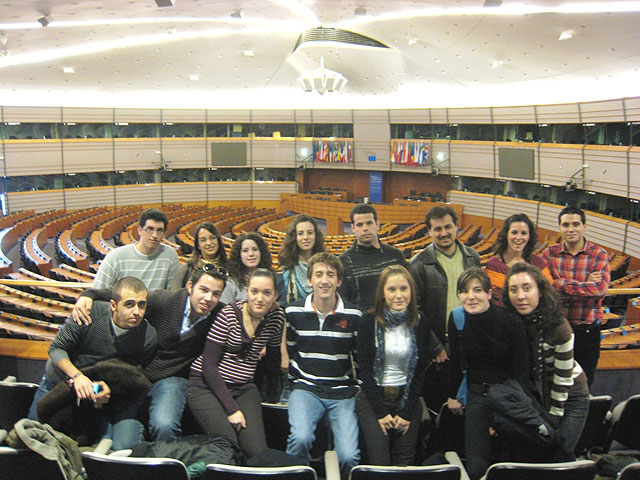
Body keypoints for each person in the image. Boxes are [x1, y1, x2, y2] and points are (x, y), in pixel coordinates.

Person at [75, 265, 226, 441]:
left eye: (216, 294)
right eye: (204, 290)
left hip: (172, 379)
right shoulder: (165, 300)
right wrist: (89, 295)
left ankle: (163, 465)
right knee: (123, 446)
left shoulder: (219, 315)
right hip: (138, 376)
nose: (209, 298)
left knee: (164, 425)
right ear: (191, 287)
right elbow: (125, 297)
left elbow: (243, 317)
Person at [28, 277, 157, 450]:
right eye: (129, 304)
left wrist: (108, 388)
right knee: (33, 442)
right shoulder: (89, 313)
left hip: (95, 393)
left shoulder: (148, 335)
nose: (137, 311)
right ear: (113, 305)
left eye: (141, 305)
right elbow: (57, 348)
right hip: (59, 382)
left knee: (90, 451)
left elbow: (132, 373)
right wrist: (77, 377)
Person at [187, 268, 285, 458]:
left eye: (267, 293)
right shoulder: (229, 314)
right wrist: (232, 409)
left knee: (256, 451)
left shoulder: (277, 317)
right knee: (229, 445)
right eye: (254, 291)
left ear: (275, 295)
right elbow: (208, 365)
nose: (260, 298)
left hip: (243, 387)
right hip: (206, 385)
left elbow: (273, 360)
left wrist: (273, 395)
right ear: (247, 292)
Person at [447, 267, 529, 480]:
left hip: (508, 399)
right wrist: (452, 396)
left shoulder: (510, 321)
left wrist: (507, 415)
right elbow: (455, 362)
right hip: (477, 396)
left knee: (509, 463)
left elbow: (521, 370)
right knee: (476, 467)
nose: (471, 297)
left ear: (489, 293)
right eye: (464, 291)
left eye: (477, 290)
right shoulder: (457, 319)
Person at [285, 252, 362, 479]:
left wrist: (358, 387)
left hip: (342, 392)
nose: (324, 280)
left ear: (339, 281)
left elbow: (359, 357)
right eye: (318, 274)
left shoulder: (354, 314)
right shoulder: (293, 312)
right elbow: (290, 351)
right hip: (306, 388)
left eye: (330, 275)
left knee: (349, 455)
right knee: (300, 438)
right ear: (309, 280)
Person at [356, 265, 440, 466]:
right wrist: (381, 413)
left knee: (405, 462)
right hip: (373, 399)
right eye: (391, 289)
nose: (398, 295)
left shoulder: (421, 323)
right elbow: (365, 370)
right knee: (379, 463)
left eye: (404, 288)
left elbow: (420, 372)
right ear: (382, 293)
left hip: (407, 400)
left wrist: (406, 413)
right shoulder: (368, 321)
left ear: (411, 291)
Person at [504, 262, 589, 459]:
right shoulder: (510, 322)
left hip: (570, 395)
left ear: (540, 291)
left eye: (527, 288)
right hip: (539, 395)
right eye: (513, 290)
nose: (521, 296)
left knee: (561, 452)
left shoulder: (560, 327)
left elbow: (563, 380)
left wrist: (553, 419)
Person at [408, 205, 479, 410]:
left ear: (457, 227)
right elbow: (416, 309)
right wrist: (434, 345)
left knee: (468, 401)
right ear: (429, 232)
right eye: (437, 229)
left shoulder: (472, 257)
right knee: (439, 402)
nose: (444, 233)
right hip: (439, 344)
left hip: (469, 338)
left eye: (448, 227)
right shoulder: (418, 264)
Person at [73, 208, 180, 324]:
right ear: (140, 230)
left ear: (164, 234)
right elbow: (99, 293)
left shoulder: (170, 256)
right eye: (149, 229)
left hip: (154, 319)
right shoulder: (116, 257)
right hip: (121, 321)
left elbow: (170, 296)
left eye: (159, 231)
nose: (154, 235)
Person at [542, 206, 610, 387]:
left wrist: (560, 283)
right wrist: (585, 284)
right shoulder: (549, 254)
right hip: (557, 328)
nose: (570, 229)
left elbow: (599, 290)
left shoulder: (599, 254)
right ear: (559, 228)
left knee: (584, 382)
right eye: (565, 225)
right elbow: (546, 291)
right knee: (555, 381)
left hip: (587, 331)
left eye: (575, 224)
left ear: (585, 227)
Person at [339, 203, 407, 312]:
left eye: (369, 223)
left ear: (377, 224)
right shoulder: (344, 261)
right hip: (360, 324)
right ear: (353, 228)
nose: (365, 228)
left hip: (394, 320)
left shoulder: (396, 255)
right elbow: (343, 300)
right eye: (360, 225)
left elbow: (408, 290)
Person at [485, 213, 552, 305]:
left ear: (529, 237)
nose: (519, 238)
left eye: (524, 233)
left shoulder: (539, 263)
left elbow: (548, 294)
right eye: (514, 232)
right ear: (506, 234)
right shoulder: (493, 265)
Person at [277, 214, 325, 306]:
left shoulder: (326, 266)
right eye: (300, 233)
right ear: (294, 237)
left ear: (316, 235)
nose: (305, 237)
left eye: (310, 232)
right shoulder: (285, 269)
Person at [171, 222, 227, 290]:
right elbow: (175, 296)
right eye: (203, 240)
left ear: (218, 241)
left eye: (212, 238)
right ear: (198, 245)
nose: (209, 243)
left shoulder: (230, 268)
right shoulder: (186, 269)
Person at [220, 231, 273, 304]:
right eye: (245, 251)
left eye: (255, 249)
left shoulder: (271, 278)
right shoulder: (230, 284)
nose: (251, 254)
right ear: (239, 255)